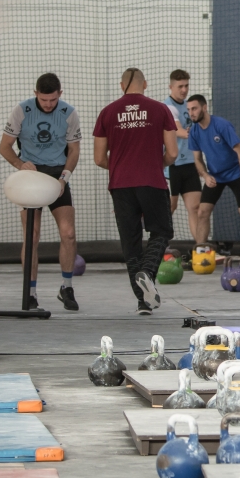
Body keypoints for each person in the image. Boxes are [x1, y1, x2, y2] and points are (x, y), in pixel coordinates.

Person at [94, 68, 177, 316]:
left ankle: (143, 302)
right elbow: (173, 153)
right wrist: (156, 164)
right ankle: (147, 273)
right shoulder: (160, 110)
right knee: (161, 231)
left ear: (121, 86)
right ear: (146, 84)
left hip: (120, 184)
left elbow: (99, 158)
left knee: (130, 242)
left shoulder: (107, 112)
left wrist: (120, 166)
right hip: (151, 180)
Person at [0, 73, 82, 311]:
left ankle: (66, 287)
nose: (48, 104)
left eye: (53, 100)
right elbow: (4, 147)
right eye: (44, 100)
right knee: (32, 235)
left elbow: (74, 150)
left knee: (68, 233)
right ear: (35, 94)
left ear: (60, 94)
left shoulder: (69, 113)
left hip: (57, 176)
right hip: (31, 177)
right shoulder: (21, 111)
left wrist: (65, 177)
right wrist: (20, 165)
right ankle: (31, 291)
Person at [186, 94, 240, 271]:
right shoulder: (194, 132)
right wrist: (205, 175)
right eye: (189, 110)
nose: (191, 113)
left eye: (195, 108)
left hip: (236, 174)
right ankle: (200, 255)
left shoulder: (221, 125)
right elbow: (197, 159)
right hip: (215, 176)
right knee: (202, 212)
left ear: (204, 108)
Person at [163, 70, 202, 249]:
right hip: (172, 165)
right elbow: (178, 130)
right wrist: (198, 134)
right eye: (180, 86)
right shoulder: (167, 107)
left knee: (196, 208)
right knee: (170, 208)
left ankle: (201, 248)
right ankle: (160, 246)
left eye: (186, 86)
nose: (184, 90)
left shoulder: (189, 106)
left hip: (189, 165)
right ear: (171, 87)